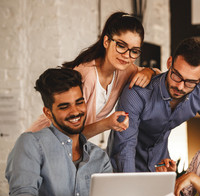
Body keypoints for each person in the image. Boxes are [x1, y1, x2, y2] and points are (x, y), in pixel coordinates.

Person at [0, 68, 112, 196]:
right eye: (64, 106)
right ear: (48, 113)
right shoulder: (31, 143)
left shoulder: (100, 157)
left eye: (79, 102)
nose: (75, 112)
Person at [28, 11, 158, 138]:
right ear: (106, 41)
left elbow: (159, 76)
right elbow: (69, 134)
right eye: (121, 45)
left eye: (134, 51)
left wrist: (149, 71)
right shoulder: (86, 76)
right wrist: (107, 124)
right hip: (42, 141)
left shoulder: (124, 70)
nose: (127, 55)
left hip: (64, 149)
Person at [107, 38, 200, 172]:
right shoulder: (137, 93)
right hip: (126, 170)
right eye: (176, 76)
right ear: (169, 63)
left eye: (190, 82)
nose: (180, 87)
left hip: (160, 170)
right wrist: (130, 185)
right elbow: (125, 149)